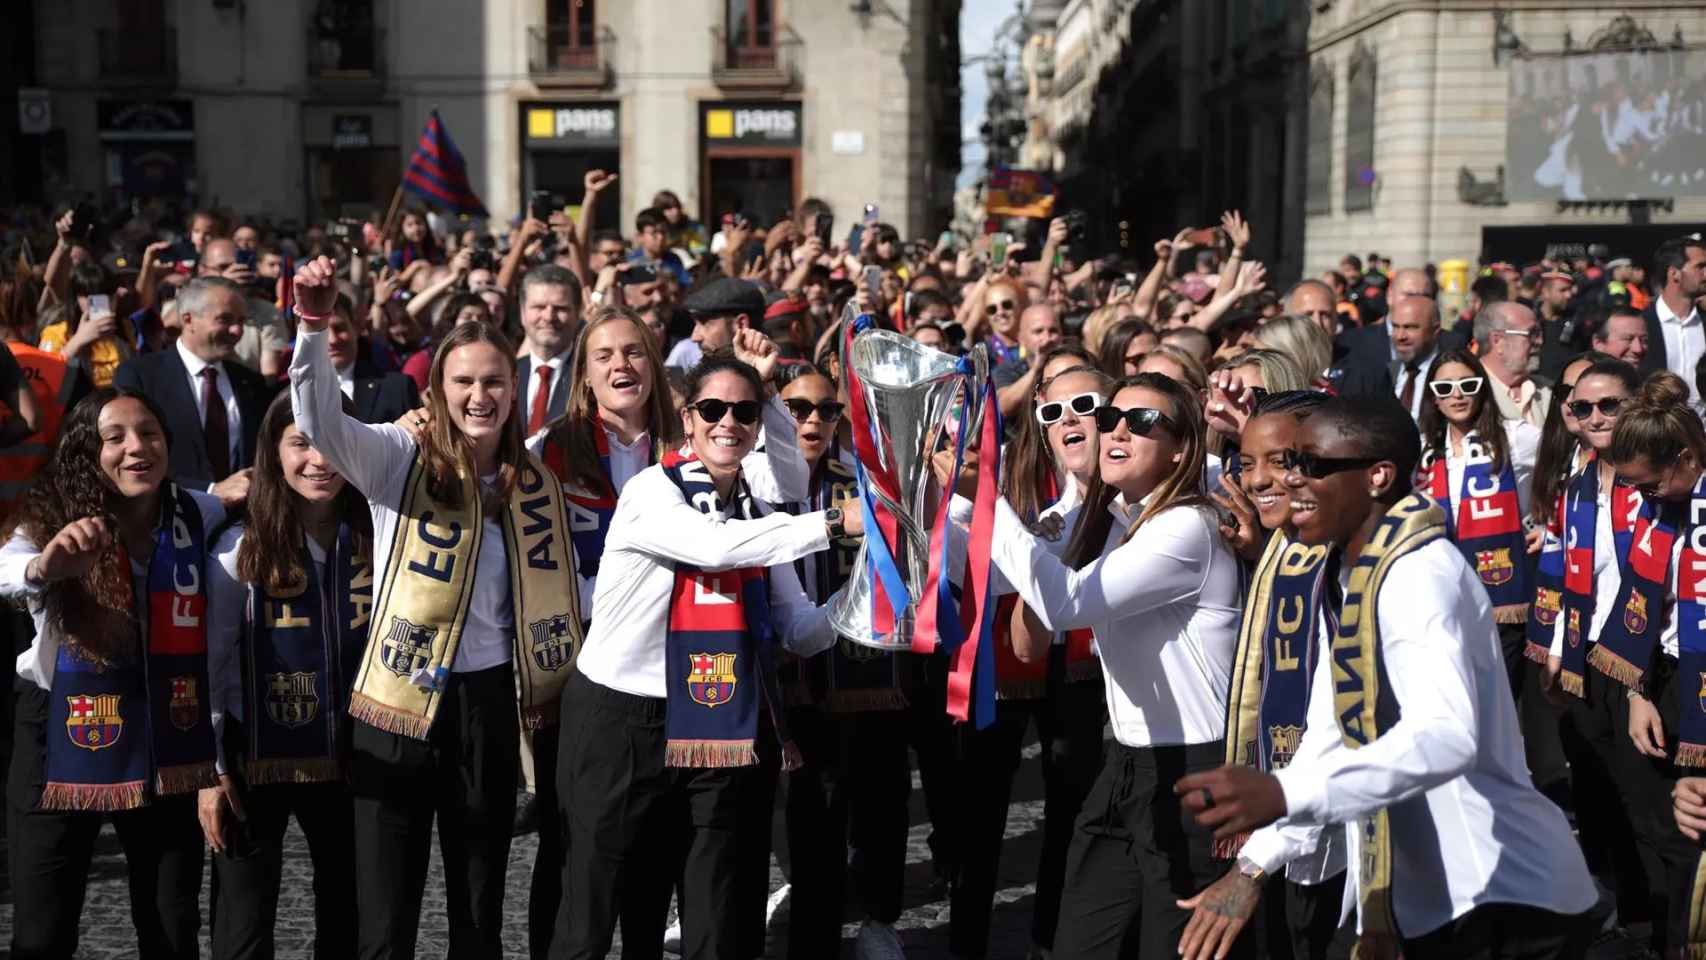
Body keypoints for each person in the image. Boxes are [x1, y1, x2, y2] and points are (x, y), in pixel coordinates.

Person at [1175, 396, 1597, 960]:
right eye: (1292, 463)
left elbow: (1445, 737)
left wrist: (1281, 793)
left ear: (1377, 476)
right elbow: (1332, 733)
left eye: (1314, 466)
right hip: (1441, 902)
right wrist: (1253, 866)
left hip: (1503, 898)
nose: (1292, 482)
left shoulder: (1417, 575)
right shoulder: (1363, 574)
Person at [289, 255, 581, 957]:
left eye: (492, 381)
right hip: (398, 694)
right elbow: (320, 420)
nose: (479, 395)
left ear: (514, 388)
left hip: (485, 702)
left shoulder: (534, 477)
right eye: (463, 382)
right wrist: (311, 322)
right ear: (436, 387)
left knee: (479, 897)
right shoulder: (398, 455)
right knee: (386, 904)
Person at [553, 352, 857, 960]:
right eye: (713, 409)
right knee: (596, 905)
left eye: (745, 411)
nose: (729, 423)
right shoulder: (650, 492)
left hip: (714, 725)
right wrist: (833, 521)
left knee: (713, 906)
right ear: (687, 419)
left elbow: (800, 629)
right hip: (619, 721)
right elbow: (714, 548)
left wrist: (866, 594)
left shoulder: (760, 514)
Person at [986, 371, 1242, 960]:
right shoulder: (1110, 521)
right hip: (1125, 763)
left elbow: (1067, 604)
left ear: (1182, 447)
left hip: (1196, 770)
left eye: (1142, 421)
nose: (1116, 430)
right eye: (1110, 419)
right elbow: (1030, 639)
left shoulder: (1187, 525)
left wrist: (985, 500)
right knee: (1081, 943)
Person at [1, 387, 225, 959]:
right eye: (114, 437)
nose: (136, 448)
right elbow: (6, 566)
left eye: (149, 433)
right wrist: (43, 566)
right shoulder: (50, 518)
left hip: (160, 724)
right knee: (43, 928)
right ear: (84, 451)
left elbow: (240, 494)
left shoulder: (192, 512)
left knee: (172, 923)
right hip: (58, 730)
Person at [1179, 389, 1354, 960]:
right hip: (1292, 822)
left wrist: (1251, 867)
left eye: (1279, 461)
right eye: (1245, 462)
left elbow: (1335, 732)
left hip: (1343, 831)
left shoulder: (1351, 564)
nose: (1255, 481)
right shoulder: (1292, 545)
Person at [200, 392, 369, 959]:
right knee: (242, 925)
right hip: (253, 755)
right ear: (273, 454)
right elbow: (211, 664)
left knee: (348, 913)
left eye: (332, 442)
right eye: (300, 443)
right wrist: (212, 771)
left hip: (351, 750)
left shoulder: (379, 537)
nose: (320, 460)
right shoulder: (237, 548)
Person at [771, 363, 912, 960]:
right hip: (776, 679)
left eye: (827, 410)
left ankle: (879, 919)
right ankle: (806, 922)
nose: (813, 420)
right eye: (796, 408)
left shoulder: (859, 483)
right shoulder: (755, 487)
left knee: (878, 797)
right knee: (803, 818)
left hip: (859, 677)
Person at [1603, 373, 1706, 956]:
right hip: (1661, 677)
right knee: (1659, 833)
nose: (1643, 496)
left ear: (1687, 458)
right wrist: (1638, 692)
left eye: (1650, 484)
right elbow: (1640, 602)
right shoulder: (1656, 506)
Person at [1416, 348, 1541, 694]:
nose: (1457, 395)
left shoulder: (1516, 437)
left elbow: (1567, 467)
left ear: (1482, 388)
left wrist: (1549, 528)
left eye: (1467, 385)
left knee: (1498, 701)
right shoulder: (1425, 451)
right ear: (1433, 399)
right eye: (1445, 389)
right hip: (1445, 595)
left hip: (1504, 594)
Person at [113, 276, 273, 507]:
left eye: (241, 321)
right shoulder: (140, 377)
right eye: (225, 319)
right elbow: (131, 458)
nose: (237, 330)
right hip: (168, 518)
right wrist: (209, 491)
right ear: (188, 320)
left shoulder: (250, 382)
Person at [324, 292, 421, 424]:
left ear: (356, 328)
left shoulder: (397, 388)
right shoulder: (295, 395)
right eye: (322, 332)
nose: (332, 340)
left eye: (340, 328)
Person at [518, 265, 584, 437]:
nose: (548, 317)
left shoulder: (590, 376)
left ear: (578, 314)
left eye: (560, 308)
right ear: (522, 313)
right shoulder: (507, 374)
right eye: (539, 307)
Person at [1643, 236, 1706, 404]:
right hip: (1656, 425)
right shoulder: (1642, 324)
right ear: (1674, 273)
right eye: (1700, 267)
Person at [1473, 301, 1551, 429]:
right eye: (1532, 333)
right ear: (1498, 341)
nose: (1540, 341)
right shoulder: (1470, 391)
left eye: (1539, 333)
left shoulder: (1548, 391)